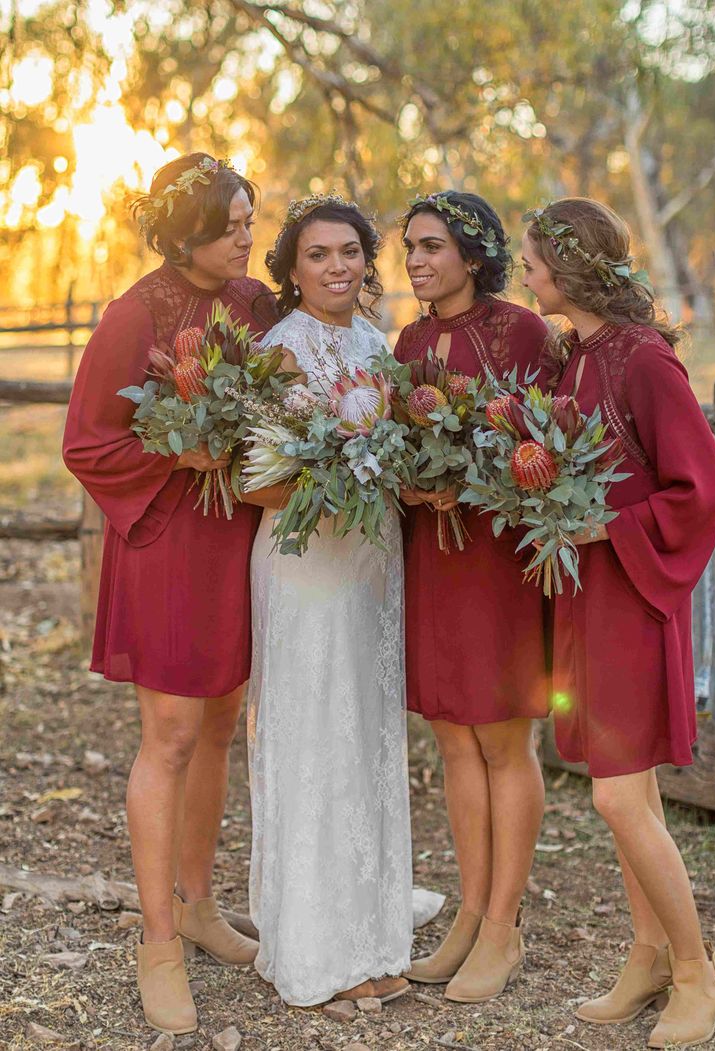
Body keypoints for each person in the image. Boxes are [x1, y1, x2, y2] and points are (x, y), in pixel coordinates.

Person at [62, 153, 278, 1036]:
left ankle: (197, 901)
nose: (245, 235)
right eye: (230, 223)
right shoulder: (133, 313)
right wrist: (174, 455)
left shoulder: (258, 305)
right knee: (173, 732)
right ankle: (156, 939)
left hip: (238, 536)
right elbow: (85, 441)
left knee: (223, 718)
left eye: (250, 218)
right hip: (165, 539)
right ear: (185, 229)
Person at [521, 197, 715, 1049]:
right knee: (628, 791)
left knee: (616, 794)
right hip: (587, 597)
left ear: (569, 267)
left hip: (633, 597)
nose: (525, 274)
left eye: (533, 261)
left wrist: (612, 526)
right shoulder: (575, 358)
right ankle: (646, 955)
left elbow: (703, 486)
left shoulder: (644, 359)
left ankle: (698, 972)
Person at [241, 193, 412, 1007]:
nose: (338, 266)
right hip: (307, 560)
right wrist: (332, 481)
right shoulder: (279, 350)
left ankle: (373, 932)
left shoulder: (378, 346)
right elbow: (259, 478)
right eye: (319, 255)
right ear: (292, 270)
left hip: (373, 561)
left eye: (350, 251)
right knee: (316, 729)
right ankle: (318, 947)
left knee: (367, 733)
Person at [395, 191, 549, 1003]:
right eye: (411, 247)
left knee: (502, 743)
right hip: (434, 557)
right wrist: (416, 487)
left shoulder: (521, 329)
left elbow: (547, 443)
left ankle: (503, 926)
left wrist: (476, 478)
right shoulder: (411, 338)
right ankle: (469, 911)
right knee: (455, 740)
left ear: (473, 251)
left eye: (431, 246)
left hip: (496, 562)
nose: (416, 260)